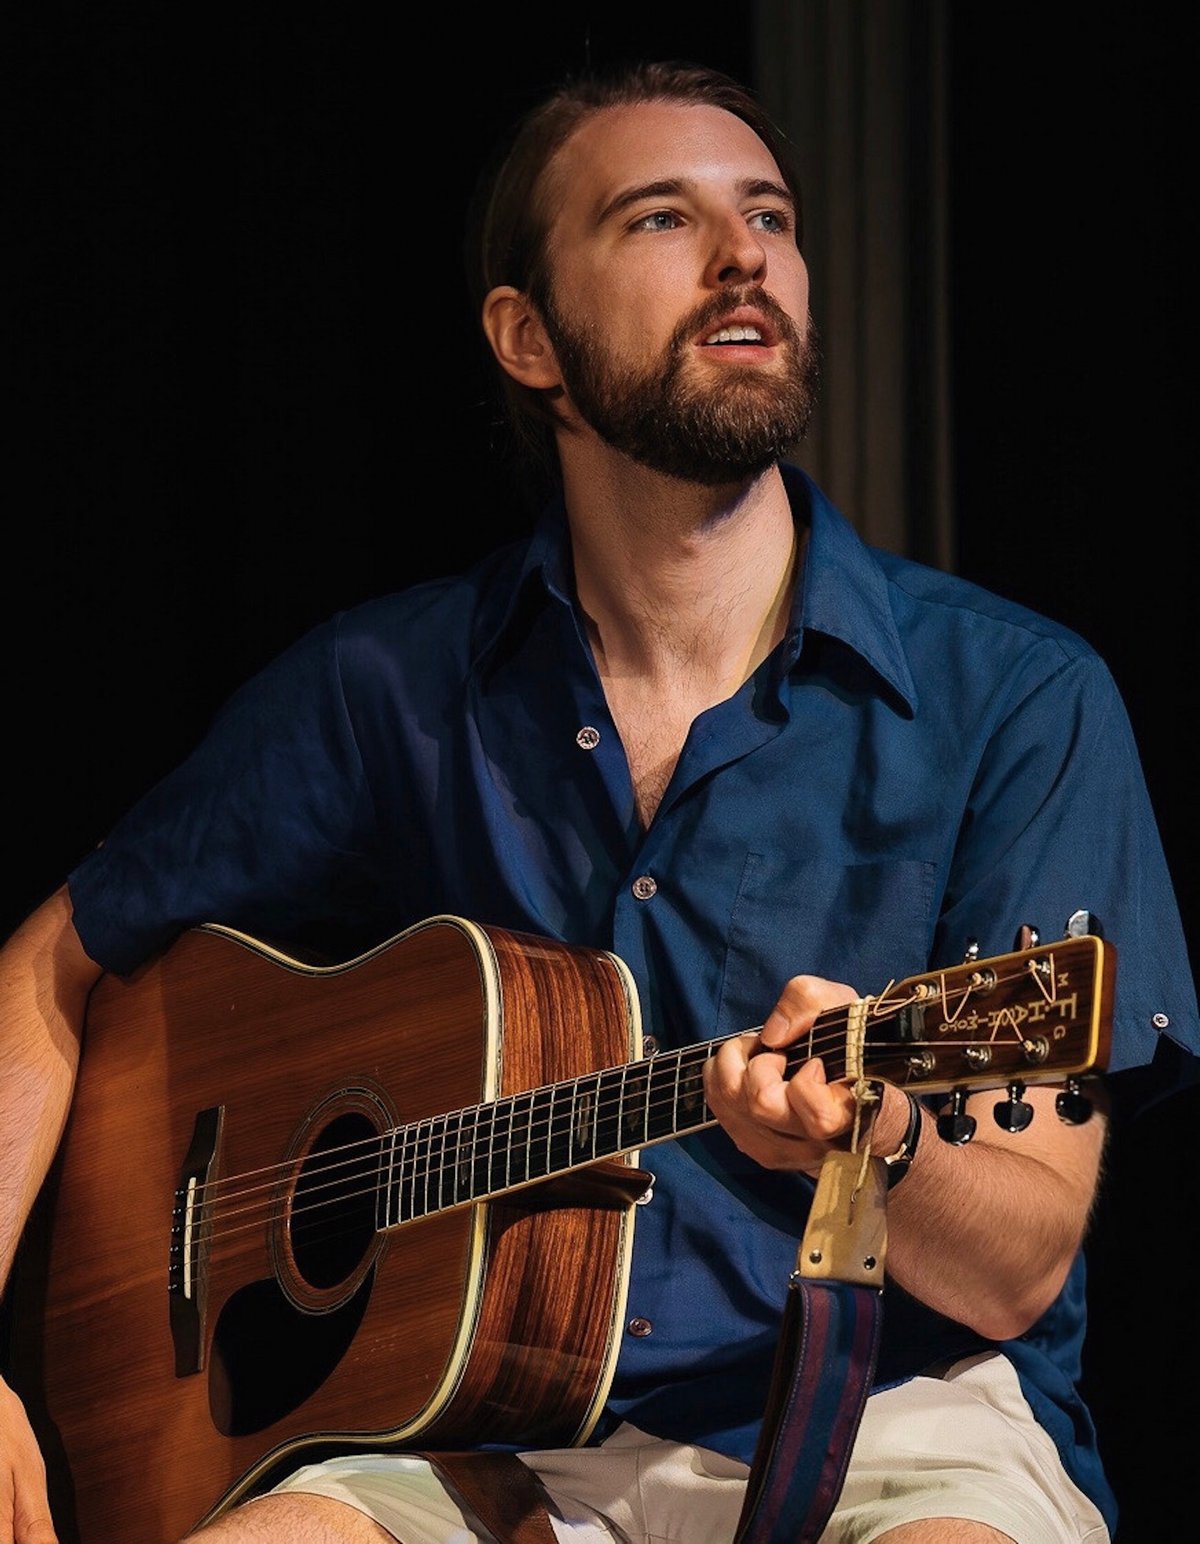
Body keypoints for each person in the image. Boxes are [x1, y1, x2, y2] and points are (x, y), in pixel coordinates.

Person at [1, 57, 1196, 1544]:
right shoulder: (390, 685)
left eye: (769, 213)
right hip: (464, 1438)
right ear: (527, 338)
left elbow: (1021, 1264)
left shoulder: (1018, 697)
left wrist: (879, 1138)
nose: (743, 252)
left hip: (896, 1429)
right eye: (658, 221)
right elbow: (56, 964)